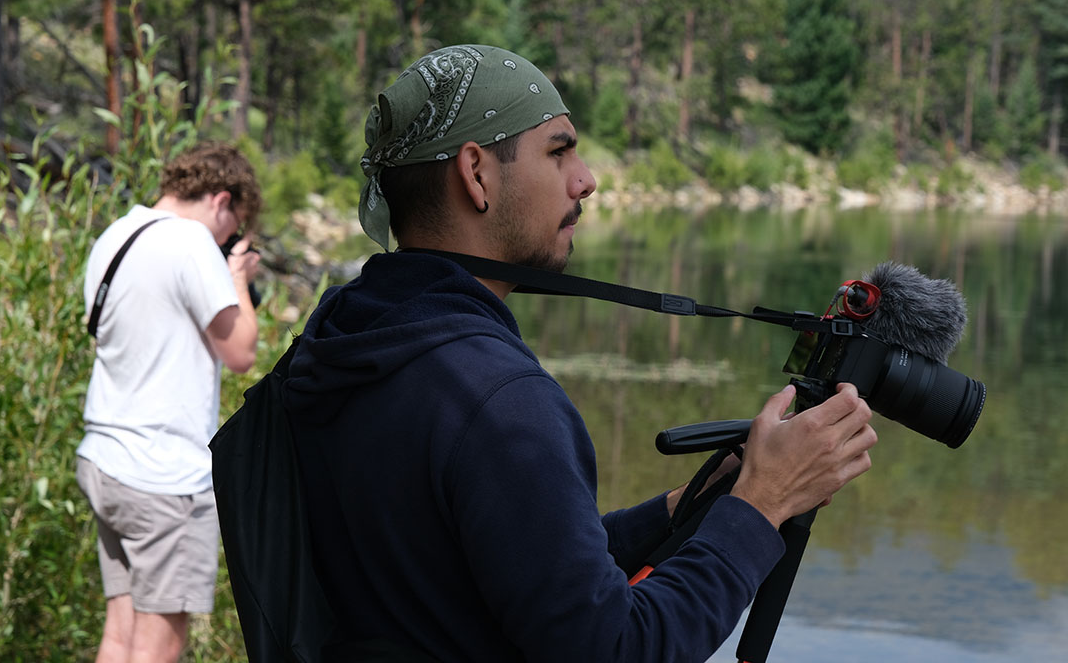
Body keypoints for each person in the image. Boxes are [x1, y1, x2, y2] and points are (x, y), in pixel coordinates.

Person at [283, 44, 877, 662]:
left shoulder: (346, 339)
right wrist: (763, 506)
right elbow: (618, 646)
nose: (586, 179)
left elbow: (538, 574)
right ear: (476, 173)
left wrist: (704, 502)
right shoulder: (498, 401)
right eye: (559, 150)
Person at [76, 142, 262, 663]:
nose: (225, 241)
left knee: (120, 634)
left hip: (107, 460)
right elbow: (242, 350)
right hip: (162, 478)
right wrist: (237, 279)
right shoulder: (190, 244)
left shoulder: (115, 235)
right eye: (231, 230)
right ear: (221, 200)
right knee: (160, 646)